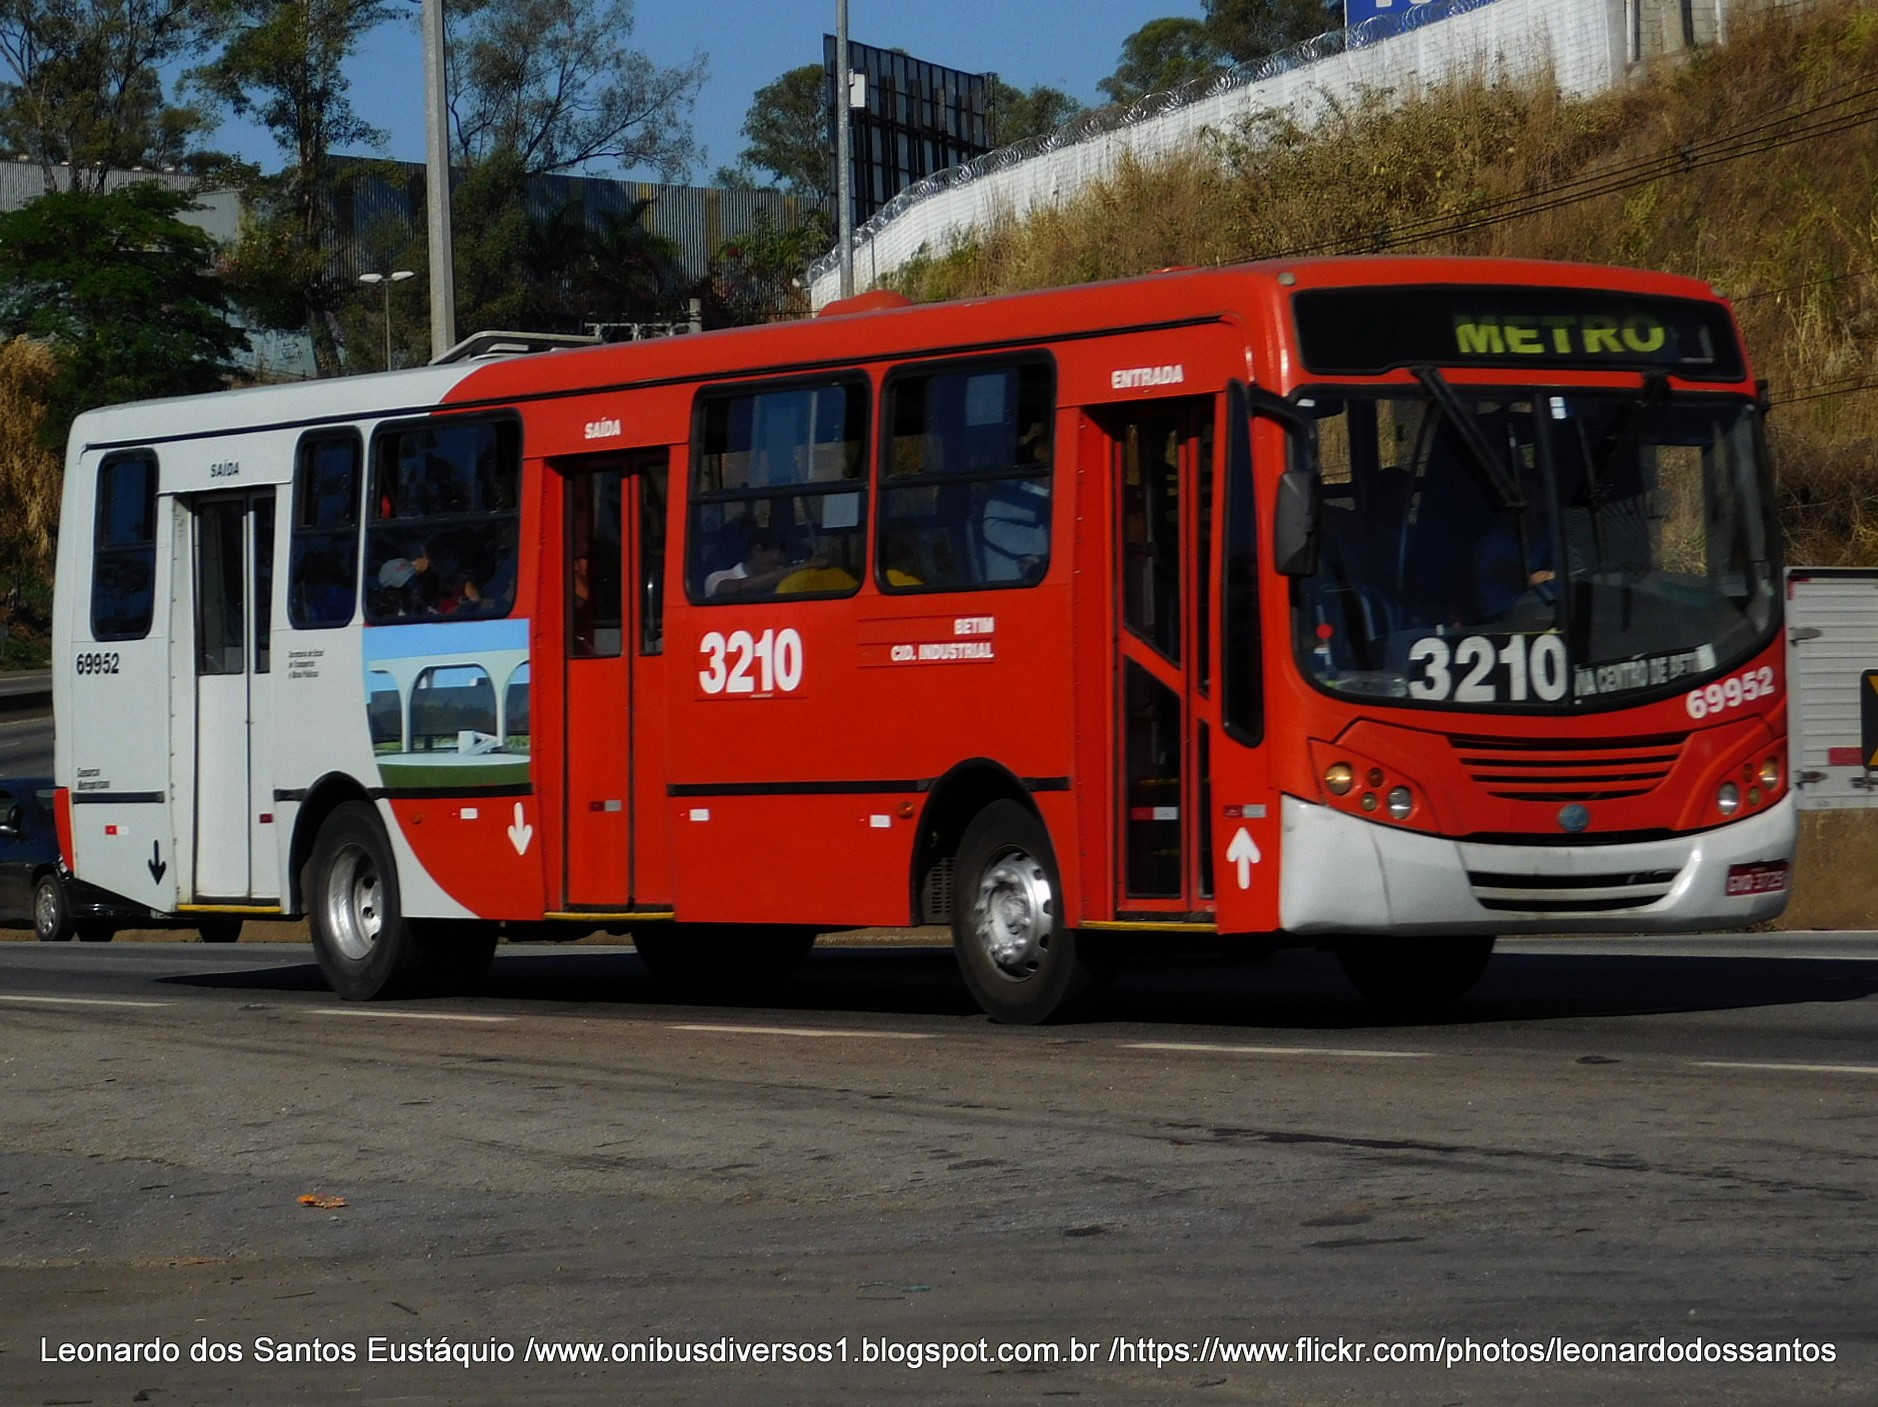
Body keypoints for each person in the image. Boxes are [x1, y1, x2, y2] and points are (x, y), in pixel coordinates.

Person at [704, 530, 793, 599]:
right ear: (757, 551)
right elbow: (737, 588)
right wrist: (791, 570)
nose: (779, 569)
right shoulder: (717, 577)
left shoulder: (784, 585)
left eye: (783, 566)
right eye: (775, 563)